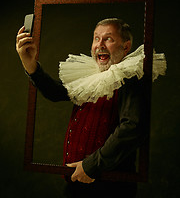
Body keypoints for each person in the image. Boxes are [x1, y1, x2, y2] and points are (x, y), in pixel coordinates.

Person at [16, 18, 166, 198]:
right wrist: (30, 63)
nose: (99, 45)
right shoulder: (93, 76)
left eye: (108, 39)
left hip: (110, 187)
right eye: (96, 38)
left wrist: (90, 166)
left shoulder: (130, 76)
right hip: (77, 181)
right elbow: (55, 92)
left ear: (126, 47)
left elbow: (133, 128)